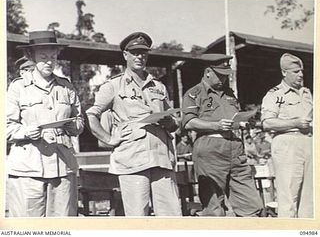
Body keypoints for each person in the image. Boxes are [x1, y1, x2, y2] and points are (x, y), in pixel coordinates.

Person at [86, 32, 181, 216]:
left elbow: (175, 122)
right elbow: (91, 114)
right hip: (133, 159)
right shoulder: (113, 86)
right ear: (125, 55)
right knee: (137, 216)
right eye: (135, 53)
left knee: (171, 216)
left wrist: (170, 121)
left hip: (162, 157)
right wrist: (109, 139)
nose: (140, 57)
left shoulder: (159, 86)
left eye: (143, 53)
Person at [6, 31, 84, 217]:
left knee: (63, 224)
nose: (49, 61)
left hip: (62, 167)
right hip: (28, 169)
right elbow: (6, 126)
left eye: (53, 57)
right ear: (31, 57)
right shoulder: (18, 87)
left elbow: (79, 120)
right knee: (27, 227)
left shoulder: (66, 87)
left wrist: (75, 127)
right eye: (43, 57)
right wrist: (25, 132)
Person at [182, 53, 263, 217]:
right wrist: (215, 125)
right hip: (211, 151)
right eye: (220, 75)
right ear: (207, 72)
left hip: (235, 150)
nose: (224, 79)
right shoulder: (194, 93)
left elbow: (235, 118)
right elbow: (189, 122)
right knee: (214, 209)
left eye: (226, 76)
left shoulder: (230, 94)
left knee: (251, 206)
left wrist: (246, 122)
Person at [261, 53, 313, 218]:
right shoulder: (276, 95)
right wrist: (295, 123)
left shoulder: (306, 93)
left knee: (310, 199)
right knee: (288, 198)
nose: (301, 75)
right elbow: (267, 123)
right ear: (284, 72)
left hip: (309, 142)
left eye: (301, 71)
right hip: (287, 144)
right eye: (296, 72)